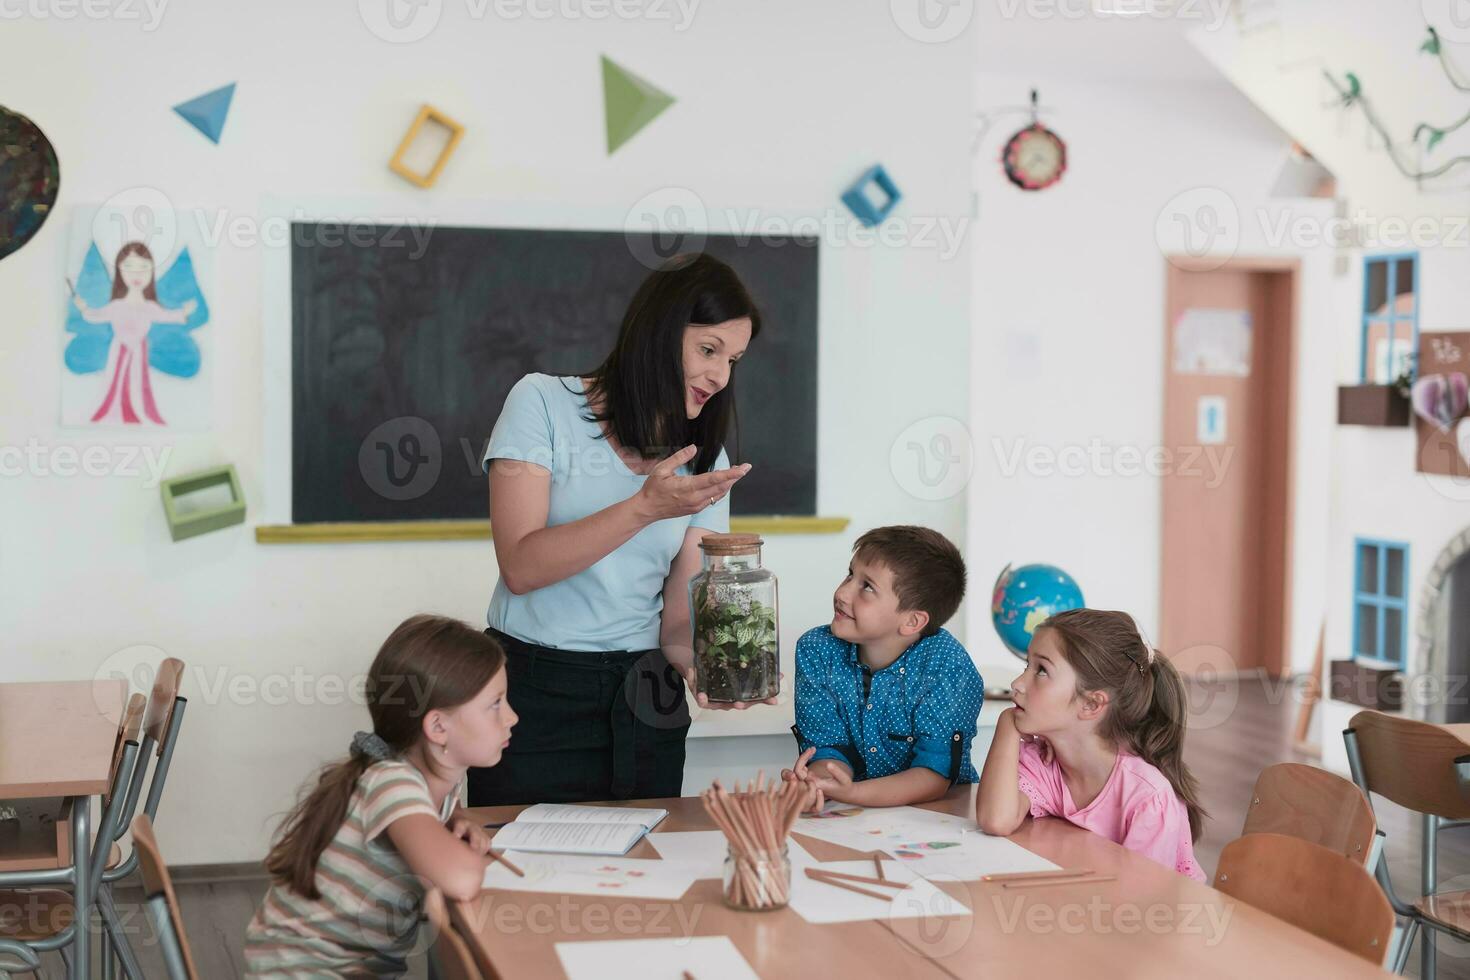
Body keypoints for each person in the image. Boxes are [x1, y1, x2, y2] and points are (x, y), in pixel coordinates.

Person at [470, 252, 770, 808]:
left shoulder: (704, 458)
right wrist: (644, 506)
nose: (720, 375)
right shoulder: (540, 402)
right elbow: (521, 566)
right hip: (533, 692)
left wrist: (704, 670)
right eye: (708, 349)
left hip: (645, 696)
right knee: (520, 874)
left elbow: (677, 619)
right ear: (659, 333)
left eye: (734, 359)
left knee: (648, 877)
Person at [244, 615, 516, 976]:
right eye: (496, 704)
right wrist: (460, 852)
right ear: (438, 727)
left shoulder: (425, 782)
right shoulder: (393, 784)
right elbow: (461, 879)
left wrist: (456, 822)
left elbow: (438, 825)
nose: (511, 717)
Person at [974, 608, 1207, 882]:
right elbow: (996, 820)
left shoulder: (1147, 798)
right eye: (1027, 665)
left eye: (1041, 671)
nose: (1017, 683)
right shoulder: (1043, 762)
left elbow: (1141, 903)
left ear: (1091, 704)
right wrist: (1007, 726)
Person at [782, 526, 983, 810]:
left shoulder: (949, 668)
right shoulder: (816, 650)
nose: (842, 592)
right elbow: (830, 749)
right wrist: (818, 783)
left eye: (867, 587)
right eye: (850, 574)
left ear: (912, 622)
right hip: (855, 817)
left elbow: (933, 777)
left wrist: (852, 794)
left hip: (941, 816)